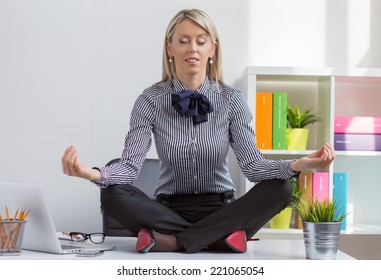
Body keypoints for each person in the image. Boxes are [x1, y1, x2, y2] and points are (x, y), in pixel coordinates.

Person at [61, 8, 335, 254]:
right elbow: (130, 168)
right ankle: (218, 239)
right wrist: (92, 174)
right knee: (110, 192)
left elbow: (252, 167)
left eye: (200, 41)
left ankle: (174, 241)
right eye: (183, 41)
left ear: (212, 49)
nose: (192, 48)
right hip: (167, 209)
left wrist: (299, 164)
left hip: (222, 208)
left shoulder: (232, 99)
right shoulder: (150, 99)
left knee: (282, 189)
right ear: (170, 48)